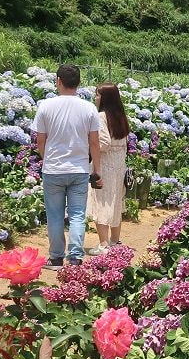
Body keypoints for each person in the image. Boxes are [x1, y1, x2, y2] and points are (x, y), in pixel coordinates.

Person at [30, 64, 103, 269]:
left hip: (53, 169)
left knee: (54, 215)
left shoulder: (45, 106)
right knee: (78, 214)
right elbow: (94, 143)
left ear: (58, 81)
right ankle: (75, 257)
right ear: (79, 83)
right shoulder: (88, 108)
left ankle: (55, 258)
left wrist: (47, 160)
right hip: (79, 169)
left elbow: (40, 140)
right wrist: (97, 171)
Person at [86, 83, 130, 255]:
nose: (95, 98)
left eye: (97, 94)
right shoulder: (121, 116)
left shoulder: (101, 116)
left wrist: (89, 145)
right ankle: (115, 241)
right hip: (119, 164)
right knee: (116, 201)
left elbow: (103, 143)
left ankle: (103, 244)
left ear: (104, 98)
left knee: (102, 202)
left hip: (105, 164)